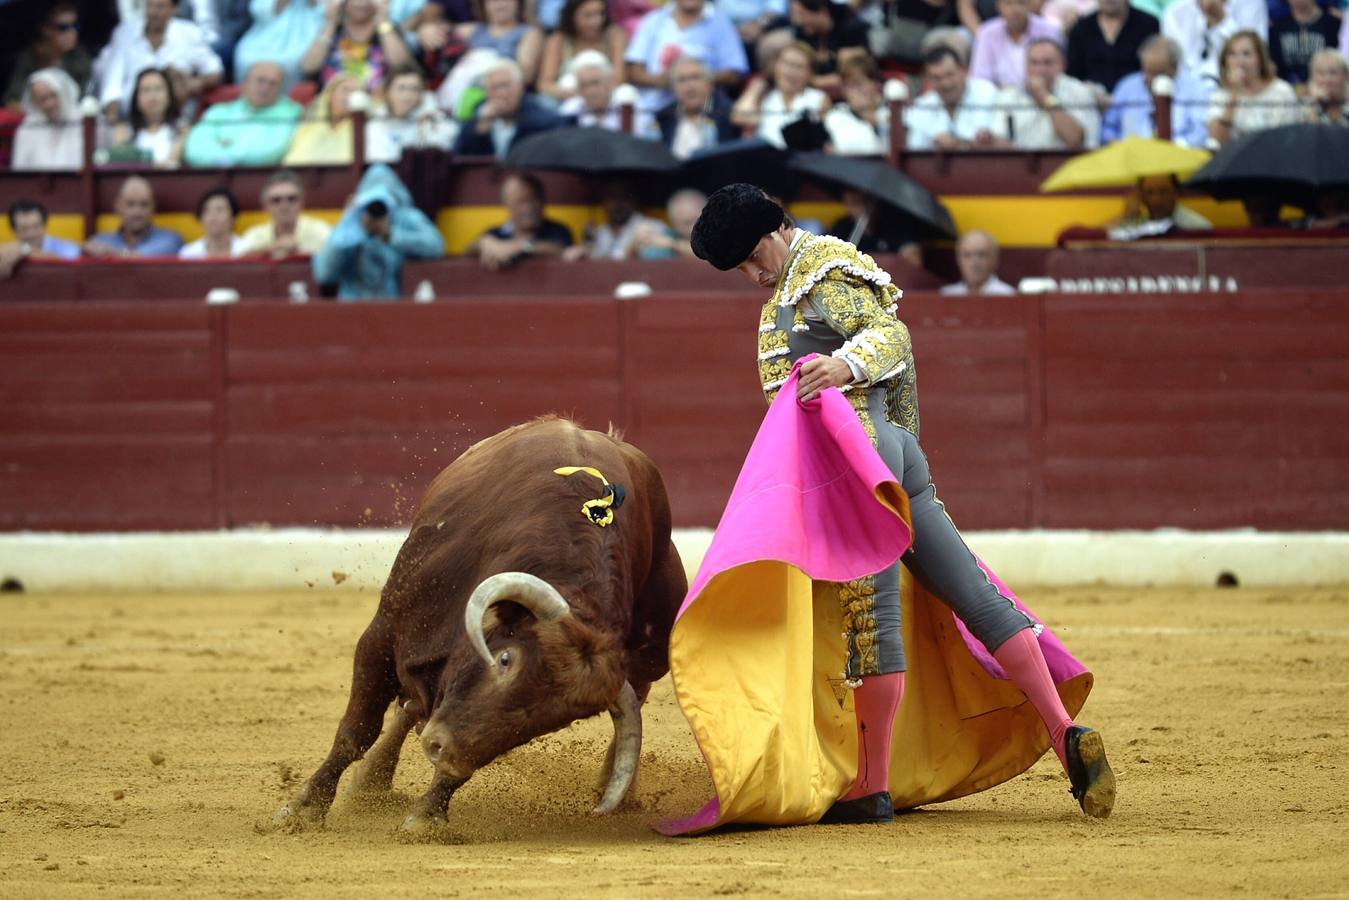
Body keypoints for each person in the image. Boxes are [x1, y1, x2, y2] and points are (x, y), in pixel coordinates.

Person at [687, 184, 1114, 825]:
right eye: (741, 270)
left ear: (778, 228)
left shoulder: (822, 268)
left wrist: (844, 368)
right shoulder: (795, 282)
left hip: (859, 462)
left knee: (873, 617)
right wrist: (900, 449)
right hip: (887, 455)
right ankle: (1062, 733)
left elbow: (891, 335)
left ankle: (873, 786)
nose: (753, 275)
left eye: (753, 258)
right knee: (974, 595)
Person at [313, 164, 445, 300]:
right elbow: (324, 273)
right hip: (353, 308)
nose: (377, 209)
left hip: (394, 307)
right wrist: (349, 223)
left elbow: (436, 246)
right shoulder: (353, 222)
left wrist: (390, 234)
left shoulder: (404, 217)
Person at [96, 0, 223, 120]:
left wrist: (188, 85)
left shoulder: (189, 33)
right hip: (132, 117)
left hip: (177, 117)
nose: (152, 12)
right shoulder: (124, 33)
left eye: (160, 7)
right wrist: (115, 124)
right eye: (149, 5)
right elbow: (112, 87)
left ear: (175, 9)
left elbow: (215, 71)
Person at [624, 0, 749, 112]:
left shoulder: (720, 23)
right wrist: (667, 80)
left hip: (704, 112)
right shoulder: (653, 21)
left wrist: (696, 79)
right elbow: (633, 72)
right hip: (653, 110)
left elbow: (734, 73)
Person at [183, 61, 304, 166]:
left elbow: (270, 152)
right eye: (260, 81)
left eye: (273, 83)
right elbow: (194, 150)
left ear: (281, 89)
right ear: (245, 83)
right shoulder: (218, 112)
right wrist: (228, 159)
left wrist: (226, 147)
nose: (265, 87)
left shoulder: (290, 113)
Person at [990, 38, 1101, 149]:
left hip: (1069, 163)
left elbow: (1076, 141)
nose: (1040, 69)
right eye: (1034, 63)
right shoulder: (1008, 96)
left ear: (1062, 65)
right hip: (1021, 164)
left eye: (1047, 63)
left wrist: (1044, 97)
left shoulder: (1079, 92)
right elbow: (998, 142)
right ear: (1026, 66)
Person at [1102, 34, 1211, 146]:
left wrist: (1177, 147)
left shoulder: (1196, 89)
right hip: (1130, 156)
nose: (1150, 79)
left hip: (1178, 156)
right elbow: (1108, 127)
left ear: (1175, 67)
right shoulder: (1127, 86)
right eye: (1147, 71)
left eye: (1158, 73)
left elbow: (1201, 131)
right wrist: (1114, 142)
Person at [452, 59, 567, 158]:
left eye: (505, 86)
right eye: (494, 88)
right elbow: (460, 157)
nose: (501, 94)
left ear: (520, 87)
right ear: (486, 93)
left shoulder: (541, 116)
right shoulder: (478, 119)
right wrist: (479, 131)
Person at [300, 0, 417, 95]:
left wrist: (383, 22)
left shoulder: (387, 28)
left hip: (376, 106)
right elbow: (309, 66)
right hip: (332, 108)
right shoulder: (332, 29)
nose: (361, 3)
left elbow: (402, 66)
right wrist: (331, 23)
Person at [731, 40, 831, 148]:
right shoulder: (765, 97)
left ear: (810, 73)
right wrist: (758, 85)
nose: (790, 71)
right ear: (776, 66)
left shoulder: (818, 98)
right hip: (768, 160)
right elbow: (739, 117)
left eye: (798, 66)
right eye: (786, 63)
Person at [1207, 30, 1299, 145]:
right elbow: (1217, 140)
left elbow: (1289, 138)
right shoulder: (1219, 95)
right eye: (1232, 54)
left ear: (1260, 59)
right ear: (1225, 62)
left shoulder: (1281, 91)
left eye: (1246, 54)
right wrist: (1234, 96)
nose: (1239, 62)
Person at [466, 173, 574, 269]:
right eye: (520, 202)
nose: (528, 208)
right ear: (507, 205)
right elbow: (468, 251)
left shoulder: (558, 230)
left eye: (533, 200)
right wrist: (484, 243)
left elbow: (561, 249)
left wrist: (521, 246)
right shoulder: (496, 233)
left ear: (543, 201)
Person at [904, 45, 1002, 149]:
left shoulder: (986, 92)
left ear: (963, 71)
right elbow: (916, 150)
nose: (945, 83)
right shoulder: (921, 107)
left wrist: (957, 144)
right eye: (937, 78)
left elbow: (996, 142)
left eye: (949, 74)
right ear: (927, 79)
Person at [3, 3, 93, 111]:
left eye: (75, 26)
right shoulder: (29, 56)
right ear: (45, 29)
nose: (72, 32)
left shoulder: (80, 58)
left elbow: (82, 102)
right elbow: (13, 100)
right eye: (63, 28)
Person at [537, 0, 629, 101]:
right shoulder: (558, 40)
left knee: (625, 94)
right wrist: (579, 95)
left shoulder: (614, 35)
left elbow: (619, 80)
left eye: (600, 13)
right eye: (588, 15)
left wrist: (595, 95)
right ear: (572, 16)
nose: (596, 21)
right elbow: (544, 85)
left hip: (607, 100)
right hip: (568, 100)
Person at [654, 55, 739, 159]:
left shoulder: (728, 113)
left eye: (695, 77)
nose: (690, 86)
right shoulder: (664, 117)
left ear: (710, 83)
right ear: (673, 88)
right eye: (682, 80)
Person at [1066, 0, 1160, 93]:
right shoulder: (1081, 29)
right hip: (1089, 102)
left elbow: (1154, 71)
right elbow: (1072, 76)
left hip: (1137, 101)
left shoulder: (1149, 26)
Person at [366, 66, 458, 162]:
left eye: (414, 89)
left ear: (422, 93)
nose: (407, 95)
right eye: (401, 88)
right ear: (387, 91)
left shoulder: (439, 124)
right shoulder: (373, 126)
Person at [969, 0, 1065, 88]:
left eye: (1021, 3)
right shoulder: (987, 32)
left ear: (1031, 4)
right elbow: (980, 79)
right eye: (1008, 3)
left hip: (1045, 92)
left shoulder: (1050, 31)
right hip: (998, 99)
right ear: (998, 6)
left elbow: (1060, 72)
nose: (1015, 9)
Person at [238, 170, 334, 258]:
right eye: (276, 200)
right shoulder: (255, 234)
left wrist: (297, 253)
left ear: (302, 203)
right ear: (265, 206)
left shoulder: (320, 230)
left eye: (291, 199)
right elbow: (239, 262)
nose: (284, 206)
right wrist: (273, 248)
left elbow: (335, 260)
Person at [83, 176, 185, 258]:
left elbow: (143, 259)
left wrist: (111, 254)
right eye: (130, 204)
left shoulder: (170, 239)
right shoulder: (100, 240)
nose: (137, 212)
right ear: (118, 206)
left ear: (153, 207)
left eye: (144, 204)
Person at [233, 0, 327, 88]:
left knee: (291, 61)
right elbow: (262, 11)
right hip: (266, 31)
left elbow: (323, 9)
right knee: (245, 58)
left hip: (306, 32)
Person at [557, 51, 656, 134]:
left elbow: (644, 143)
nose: (590, 91)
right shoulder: (570, 110)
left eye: (595, 83)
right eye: (584, 85)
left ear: (610, 82)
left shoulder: (631, 105)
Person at [564, 179, 665, 260]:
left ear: (634, 200)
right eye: (612, 197)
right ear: (603, 202)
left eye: (623, 197)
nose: (618, 203)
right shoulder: (599, 233)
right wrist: (586, 250)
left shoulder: (652, 227)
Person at [107, 68, 186, 167]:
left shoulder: (182, 129)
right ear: (136, 98)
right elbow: (120, 164)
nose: (153, 96)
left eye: (158, 89)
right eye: (146, 90)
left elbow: (171, 164)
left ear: (169, 94)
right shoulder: (124, 131)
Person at [785, 0, 870, 91]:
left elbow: (850, 76)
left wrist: (811, 81)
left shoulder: (851, 27)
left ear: (822, 11)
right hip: (811, 90)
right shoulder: (803, 31)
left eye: (802, 14)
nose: (799, 20)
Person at [455, 0, 544, 87]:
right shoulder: (471, 30)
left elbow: (525, 76)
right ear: (484, 4)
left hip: (503, 92)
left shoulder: (528, 33)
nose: (501, 4)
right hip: (465, 87)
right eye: (494, 1)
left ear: (518, 3)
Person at [11, 69, 85, 172]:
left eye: (53, 96)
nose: (50, 104)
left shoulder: (83, 120)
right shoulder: (28, 128)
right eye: (43, 99)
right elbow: (20, 171)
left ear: (63, 93)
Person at [829, 189, 922, 267]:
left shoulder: (896, 226)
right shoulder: (842, 228)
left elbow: (914, 262)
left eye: (864, 202)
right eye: (852, 203)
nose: (861, 208)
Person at [283, 72, 360, 165]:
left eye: (355, 92)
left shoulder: (359, 129)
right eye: (345, 90)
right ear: (330, 94)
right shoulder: (308, 124)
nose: (350, 96)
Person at [824, 54, 889, 155]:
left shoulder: (890, 112)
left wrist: (873, 120)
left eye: (859, 83)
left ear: (875, 84)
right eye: (848, 86)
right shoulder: (836, 115)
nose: (855, 91)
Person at [1162, 0, 1241, 83]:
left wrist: (1222, 20)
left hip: (1234, 84)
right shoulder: (1175, 13)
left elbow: (1248, 50)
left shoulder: (1248, 5)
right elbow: (1177, 62)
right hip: (1189, 85)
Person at [1267, 0, 1340, 87]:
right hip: (1287, 91)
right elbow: (1274, 65)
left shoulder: (1334, 25)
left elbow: (1338, 63)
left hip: (1326, 87)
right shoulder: (1277, 28)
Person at [1112, 174, 1214, 229]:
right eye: (1150, 192)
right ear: (1141, 196)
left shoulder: (1196, 226)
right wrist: (1126, 216)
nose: (1157, 200)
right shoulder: (1136, 223)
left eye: (1164, 191)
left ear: (1176, 193)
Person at [631, 188, 707, 259]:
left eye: (695, 220)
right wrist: (635, 245)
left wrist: (672, 244)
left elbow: (708, 255)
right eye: (686, 223)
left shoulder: (714, 234)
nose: (692, 227)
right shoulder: (668, 236)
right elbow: (635, 259)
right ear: (673, 220)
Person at [941, 229, 1016, 294]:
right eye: (967, 255)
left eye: (981, 254)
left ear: (995, 260)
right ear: (958, 260)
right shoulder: (947, 295)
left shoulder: (1007, 295)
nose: (974, 262)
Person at [179, 187, 245, 258]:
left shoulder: (246, 251)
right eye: (207, 211)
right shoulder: (188, 253)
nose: (213, 216)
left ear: (233, 218)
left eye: (220, 210)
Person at [6, 200, 81, 260]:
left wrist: (25, 251)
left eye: (36, 226)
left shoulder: (66, 247)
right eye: (24, 228)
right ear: (13, 231)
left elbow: (69, 260)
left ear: (45, 226)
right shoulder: (9, 249)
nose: (31, 233)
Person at [1305, 48, 1349, 124]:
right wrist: (1314, 104)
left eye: (1333, 73)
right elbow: (1307, 134)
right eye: (1321, 73)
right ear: (1312, 77)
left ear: (1345, 75)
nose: (1327, 79)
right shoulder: (1305, 105)